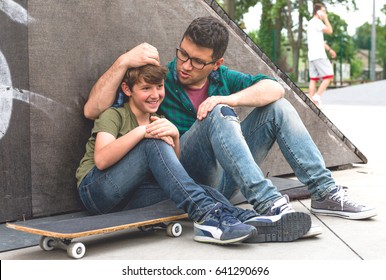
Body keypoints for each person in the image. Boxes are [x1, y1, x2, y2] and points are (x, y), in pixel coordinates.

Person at [84, 16, 376, 237]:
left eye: (197, 62)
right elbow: (94, 109)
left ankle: (324, 192)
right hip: (186, 174)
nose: (184, 65)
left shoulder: (223, 79)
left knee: (277, 108)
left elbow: (276, 89)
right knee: (216, 112)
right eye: (182, 54)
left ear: (216, 63)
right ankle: (268, 204)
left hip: (226, 178)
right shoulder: (159, 81)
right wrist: (123, 61)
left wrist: (226, 97)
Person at [76, 64, 263, 245]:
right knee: (153, 141)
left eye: (159, 87)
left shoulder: (159, 120)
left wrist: (175, 136)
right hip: (96, 191)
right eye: (146, 88)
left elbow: (174, 174)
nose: (155, 94)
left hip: (131, 197)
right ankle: (206, 216)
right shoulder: (114, 115)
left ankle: (240, 217)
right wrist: (142, 132)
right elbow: (101, 160)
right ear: (127, 89)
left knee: (200, 189)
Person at [307, 3, 337, 107]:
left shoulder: (310, 23)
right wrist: (325, 18)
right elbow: (330, 30)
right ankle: (316, 97)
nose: (324, 13)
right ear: (318, 12)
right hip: (319, 55)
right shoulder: (317, 22)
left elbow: (319, 41)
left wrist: (329, 49)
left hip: (311, 55)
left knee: (313, 79)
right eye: (323, 11)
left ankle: (310, 102)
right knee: (329, 75)